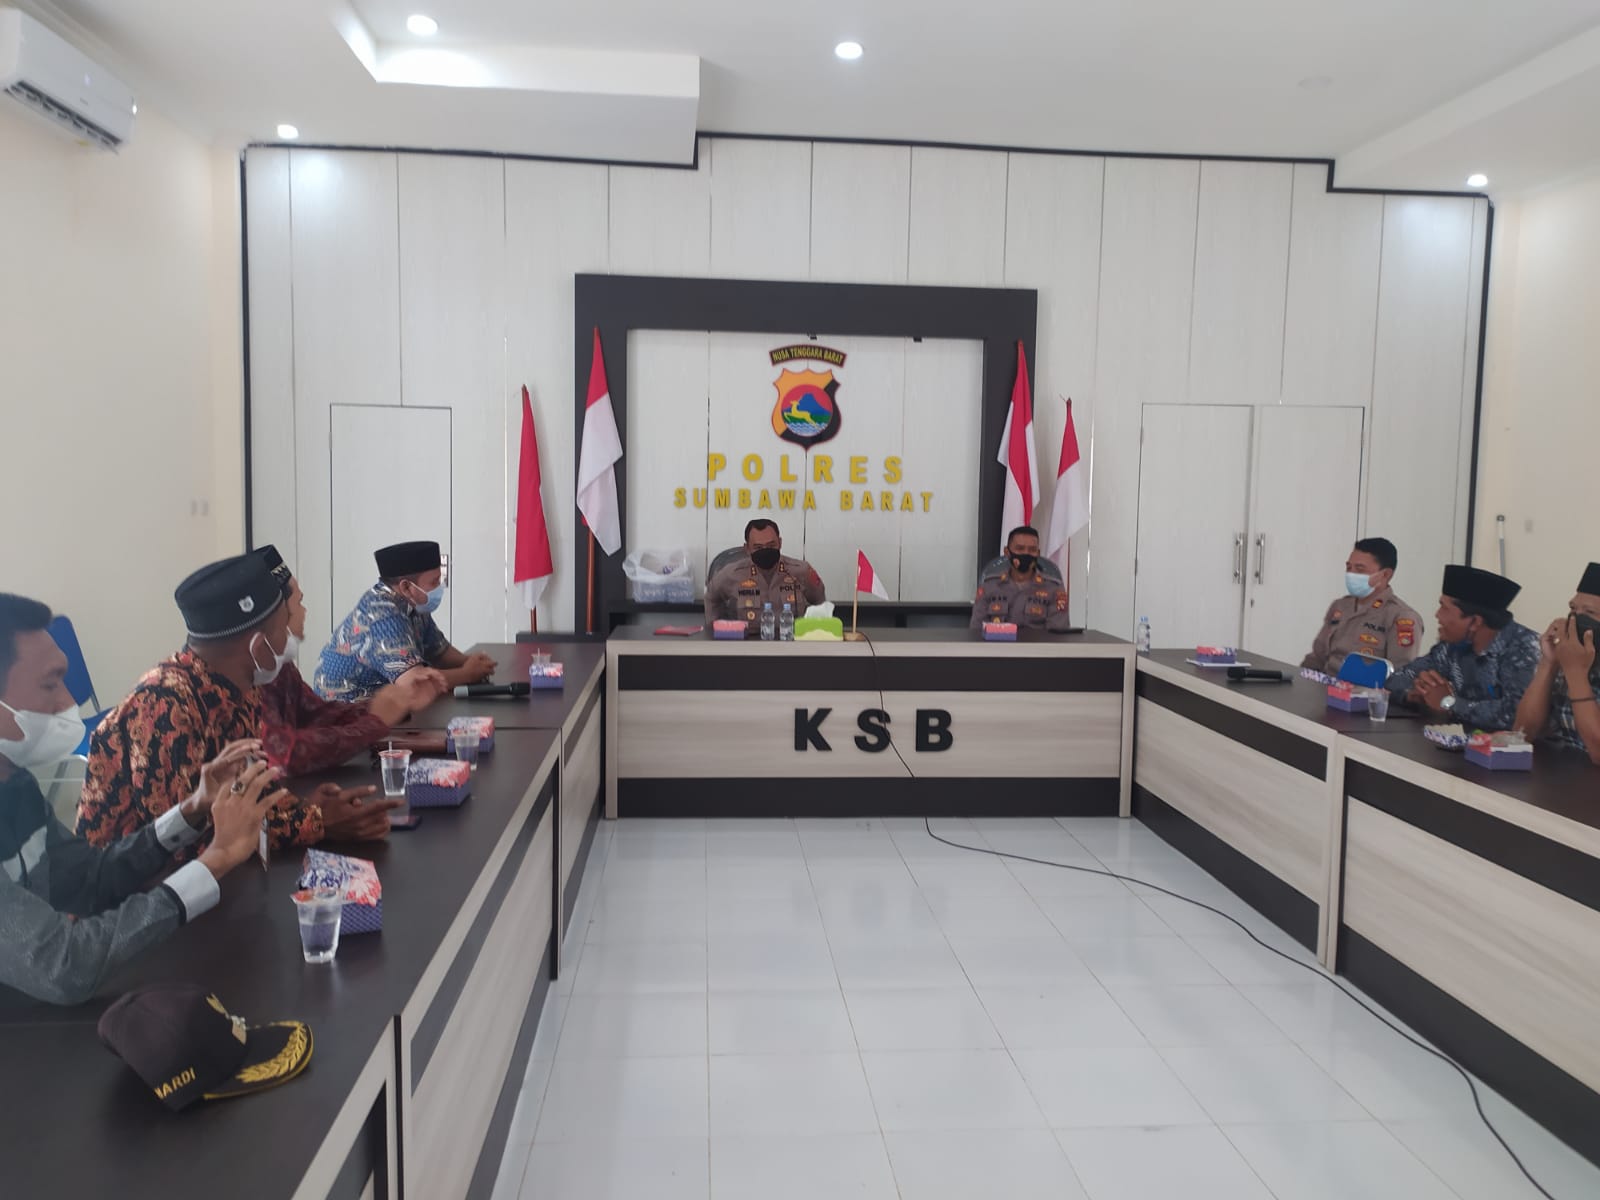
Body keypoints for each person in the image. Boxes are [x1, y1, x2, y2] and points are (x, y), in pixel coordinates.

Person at [0, 593, 288, 1005]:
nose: (68, 703)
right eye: (50, 684)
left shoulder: (15, 785)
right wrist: (215, 861)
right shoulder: (165, 699)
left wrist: (191, 811)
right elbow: (64, 965)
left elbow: (87, 878)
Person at [78, 554, 398, 859]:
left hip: (210, 877)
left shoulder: (242, 686)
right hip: (131, 891)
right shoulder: (163, 707)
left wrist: (302, 808)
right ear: (258, 646)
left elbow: (241, 797)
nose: (292, 632)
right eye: (284, 625)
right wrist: (316, 823)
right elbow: (182, 842)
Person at [254, 546, 446, 775]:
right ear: (274, 618)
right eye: (298, 604)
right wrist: (375, 721)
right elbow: (286, 755)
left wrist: (390, 705)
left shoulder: (279, 667)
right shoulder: (247, 681)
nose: (304, 612)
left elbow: (316, 713)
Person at [314, 540, 495, 703]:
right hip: (346, 712)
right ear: (406, 587)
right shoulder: (382, 615)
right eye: (434, 582)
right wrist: (467, 674)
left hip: (386, 704)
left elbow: (439, 651)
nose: (439, 588)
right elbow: (415, 684)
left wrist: (470, 662)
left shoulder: (414, 604)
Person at [1386, 564, 1540, 729]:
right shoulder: (1453, 646)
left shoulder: (1524, 649)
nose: (1437, 615)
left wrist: (1448, 703)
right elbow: (1395, 680)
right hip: (1469, 740)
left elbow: (1516, 716)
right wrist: (1415, 694)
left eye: (1445, 608)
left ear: (1475, 622)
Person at [1514, 562, 1600, 764]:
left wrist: (1575, 672)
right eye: (1573, 609)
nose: (1575, 620)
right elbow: (1523, 733)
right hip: (1567, 776)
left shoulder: (1572, 664)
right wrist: (1549, 663)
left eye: (1589, 613)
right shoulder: (1568, 658)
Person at [1300, 537, 1424, 674]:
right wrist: (1299, 677)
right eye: (1349, 568)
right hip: (1324, 683)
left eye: (1359, 569)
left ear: (1385, 574)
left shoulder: (1401, 617)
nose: (1351, 574)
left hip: (1364, 687)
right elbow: (1316, 658)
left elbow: (1400, 675)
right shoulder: (1340, 606)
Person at [704, 519, 827, 635]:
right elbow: (711, 596)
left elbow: (820, 601)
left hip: (791, 642)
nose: (765, 550)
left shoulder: (801, 571)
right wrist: (715, 629)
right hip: (748, 644)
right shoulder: (732, 573)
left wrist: (814, 633)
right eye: (758, 547)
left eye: (771, 545)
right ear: (747, 548)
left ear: (780, 543)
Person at [969, 526, 1074, 632]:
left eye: (1032, 550)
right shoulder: (989, 586)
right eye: (1020, 548)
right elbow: (976, 631)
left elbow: (1057, 634)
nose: (1026, 554)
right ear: (1007, 552)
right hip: (998, 642)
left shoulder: (1053, 589)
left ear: (1038, 554)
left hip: (1037, 643)